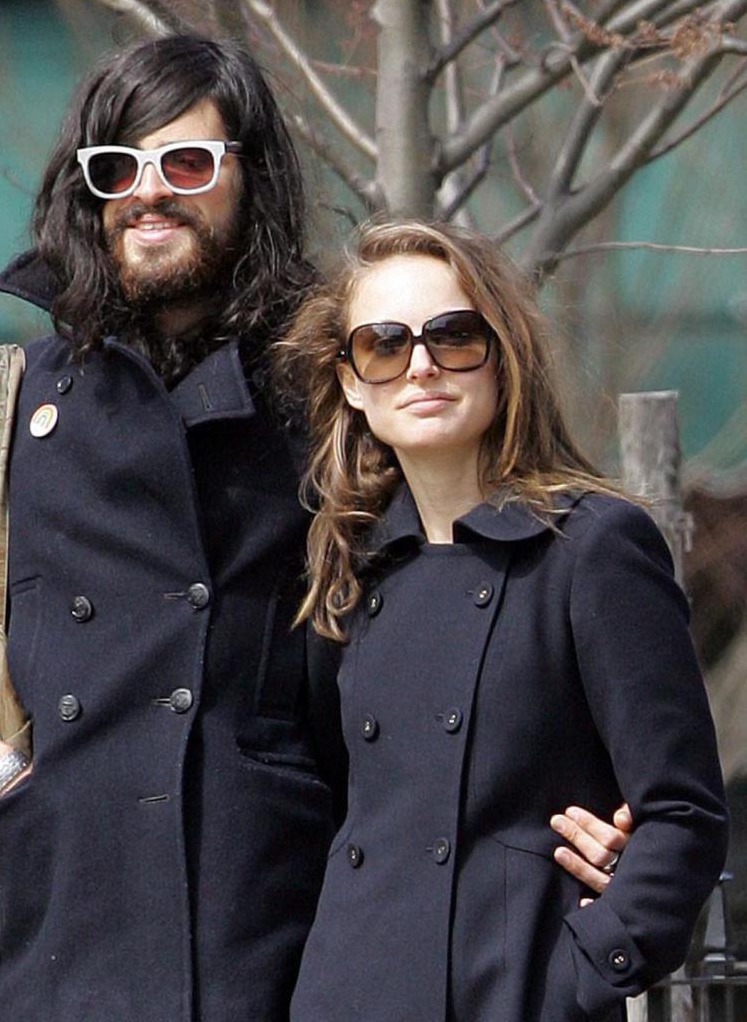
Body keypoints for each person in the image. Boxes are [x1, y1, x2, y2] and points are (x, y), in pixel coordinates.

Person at [0, 37, 634, 1022]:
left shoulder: (331, 399)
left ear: (249, 178)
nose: (148, 194)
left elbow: (453, 622)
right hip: (44, 950)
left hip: (282, 950)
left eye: (186, 164)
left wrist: (565, 803)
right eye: (117, 169)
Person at [278, 219, 728, 1022]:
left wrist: (582, 976)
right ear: (349, 380)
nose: (419, 365)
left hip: (507, 991)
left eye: (452, 335)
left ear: (500, 353)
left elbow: (682, 814)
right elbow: (334, 803)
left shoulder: (590, 547)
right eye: (383, 344)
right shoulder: (346, 572)